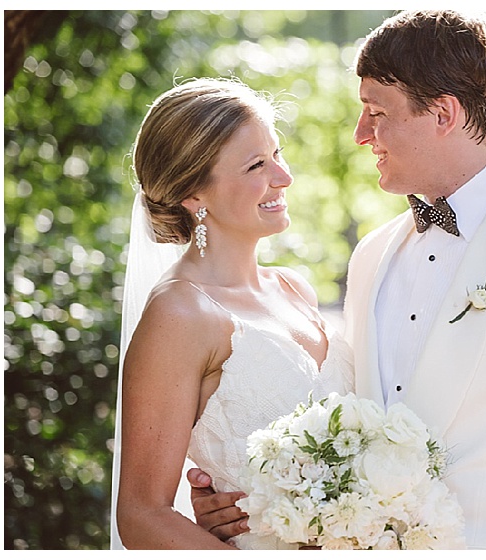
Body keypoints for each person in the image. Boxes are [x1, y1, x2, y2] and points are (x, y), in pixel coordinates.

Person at [188, 10, 486, 549]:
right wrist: (258, 497)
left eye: (376, 112)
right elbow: (348, 431)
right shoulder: (372, 256)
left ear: (443, 113)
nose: (360, 134)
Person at [111, 78, 352, 549]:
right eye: (256, 165)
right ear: (194, 194)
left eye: (277, 154)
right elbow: (143, 515)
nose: (283, 177)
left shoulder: (294, 287)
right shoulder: (180, 314)